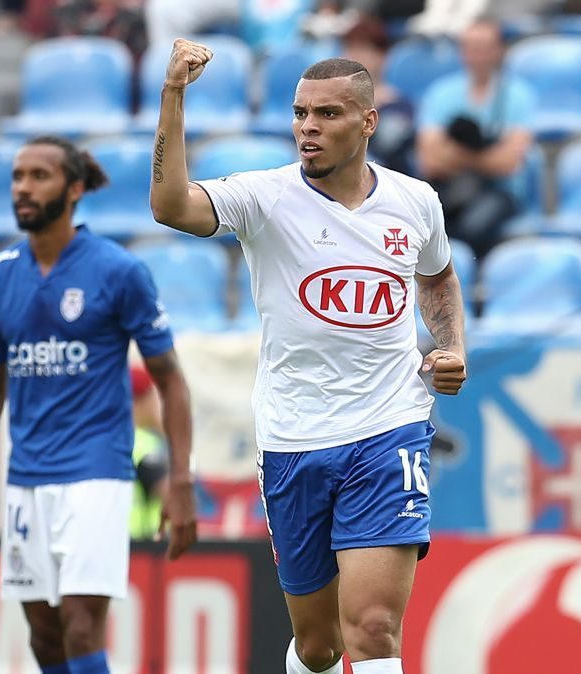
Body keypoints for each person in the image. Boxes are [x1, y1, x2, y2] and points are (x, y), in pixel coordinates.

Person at [150, 39, 467, 674]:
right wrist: (173, 95)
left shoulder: (415, 201)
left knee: (375, 627)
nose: (307, 129)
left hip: (388, 426)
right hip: (294, 434)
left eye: (326, 114)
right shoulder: (263, 197)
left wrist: (451, 344)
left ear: (368, 121)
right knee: (320, 646)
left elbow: (436, 278)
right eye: (300, 114)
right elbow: (170, 206)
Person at [0, 135, 197, 674]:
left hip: (96, 471)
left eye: (40, 176)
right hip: (26, 476)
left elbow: (170, 381)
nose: (23, 188)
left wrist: (180, 479)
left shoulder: (118, 270)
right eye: (17, 177)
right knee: (43, 635)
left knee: (82, 623)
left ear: (75, 188)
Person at [416, 17, 537, 257]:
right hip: (450, 188)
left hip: (500, 192)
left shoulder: (518, 95)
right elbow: (429, 161)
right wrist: (487, 157)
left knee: (472, 227)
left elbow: (510, 163)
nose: (477, 57)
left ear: (499, 51)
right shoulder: (441, 93)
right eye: (471, 49)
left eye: (484, 49)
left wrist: (453, 154)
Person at [341, 14, 416, 175]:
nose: (354, 56)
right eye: (350, 48)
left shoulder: (400, 106)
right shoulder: (334, 102)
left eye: (363, 49)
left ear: (382, 55)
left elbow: (387, 148)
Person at [129, 364, 169, 539]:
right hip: (144, 545)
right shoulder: (143, 442)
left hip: (113, 540)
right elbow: (172, 495)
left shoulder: (106, 440)